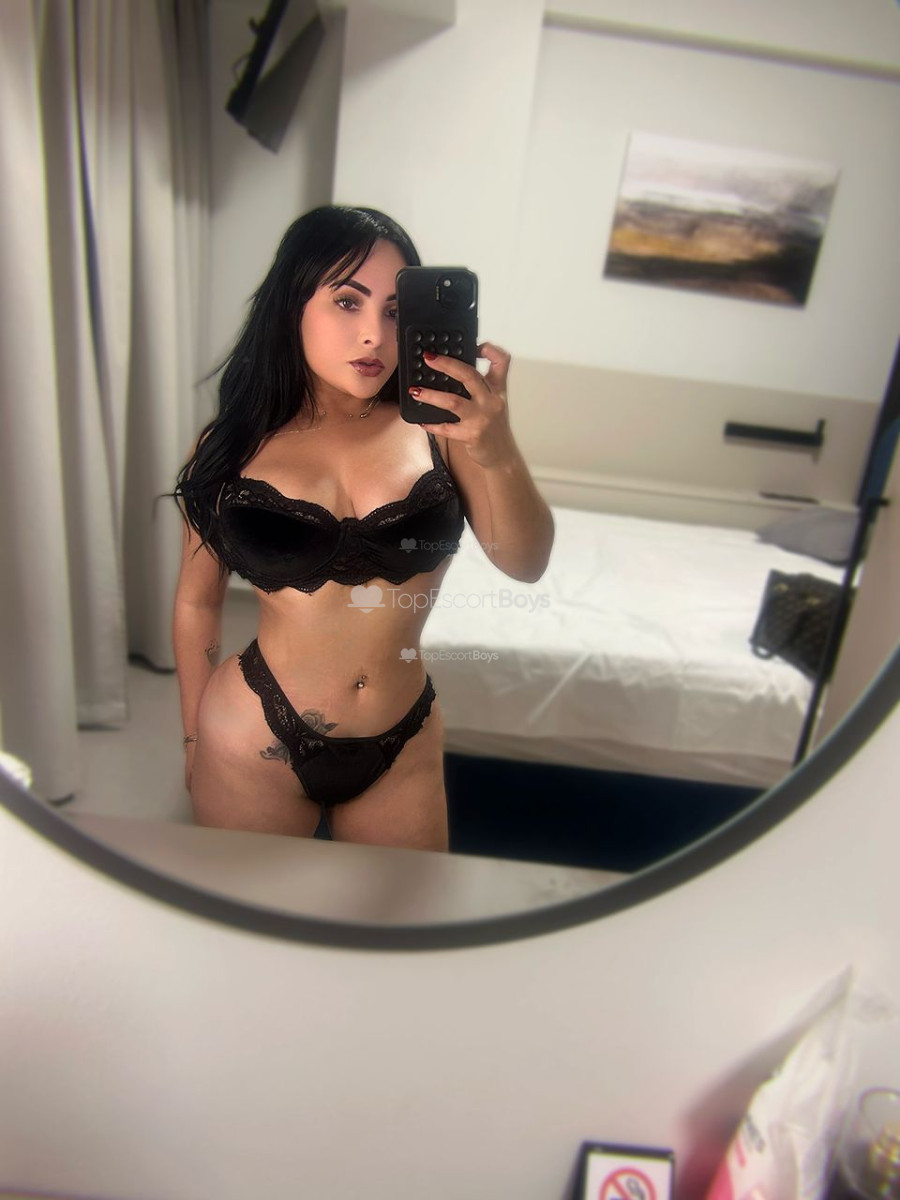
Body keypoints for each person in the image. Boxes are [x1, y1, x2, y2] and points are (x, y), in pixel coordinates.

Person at [172, 205, 554, 851]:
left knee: (403, 914)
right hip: (253, 732)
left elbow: (526, 562)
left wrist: (497, 449)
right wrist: (192, 736)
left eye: (395, 311)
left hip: (402, 738)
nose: (375, 335)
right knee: (252, 914)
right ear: (293, 304)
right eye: (347, 302)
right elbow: (195, 602)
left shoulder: (442, 430)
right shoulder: (231, 446)